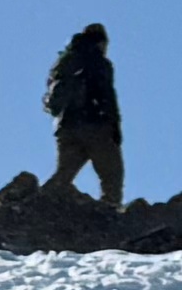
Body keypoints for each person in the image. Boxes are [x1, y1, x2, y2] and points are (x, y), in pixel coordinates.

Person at [41, 24, 125, 210]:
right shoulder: (98, 62)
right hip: (95, 124)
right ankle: (110, 212)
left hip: (66, 127)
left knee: (64, 173)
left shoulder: (64, 61)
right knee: (111, 173)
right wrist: (114, 126)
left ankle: (38, 205)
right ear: (101, 42)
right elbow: (105, 95)